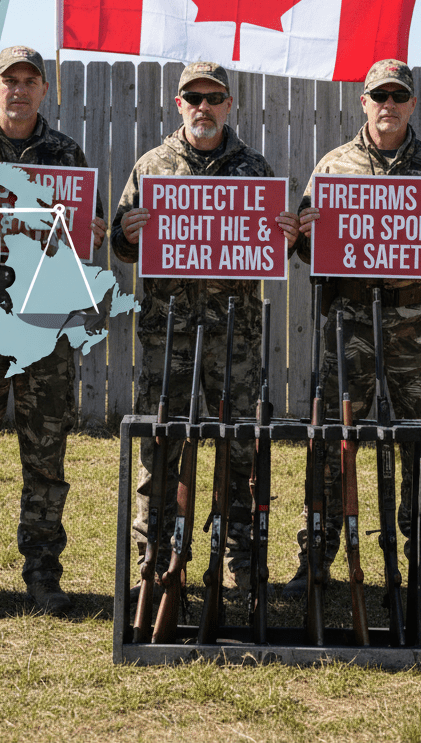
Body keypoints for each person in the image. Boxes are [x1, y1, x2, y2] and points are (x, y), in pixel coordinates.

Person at [112, 59, 299, 600]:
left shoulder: (255, 169)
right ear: (179, 104)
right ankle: (153, 559)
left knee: (240, 449)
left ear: (228, 105)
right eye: (193, 97)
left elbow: (274, 249)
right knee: (159, 447)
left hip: (234, 337)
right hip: (166, 334)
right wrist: (127, 233)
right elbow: (122, 245)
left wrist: (287, 237)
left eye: (214, 97)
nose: (203, 107)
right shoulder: (151, 165)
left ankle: (240, 558)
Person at [0, 45, 108, 618]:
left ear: (43, 90)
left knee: (46, 458)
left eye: (30, 81)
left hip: (44, 328)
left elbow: (85, 229)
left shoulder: (66, 153)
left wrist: (93, 233)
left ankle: (42, 574)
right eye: (10, 80)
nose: (20, 90)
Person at [283, 58, 421, 602]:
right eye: (379, 95)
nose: (389, 105)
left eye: (398, 96)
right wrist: (306, 233)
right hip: (350, 327)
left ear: (412, 104)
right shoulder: (334, 166)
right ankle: (316, 559)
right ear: (364, 102)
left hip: (416, 329)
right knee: (331, 445)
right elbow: (306, 250)